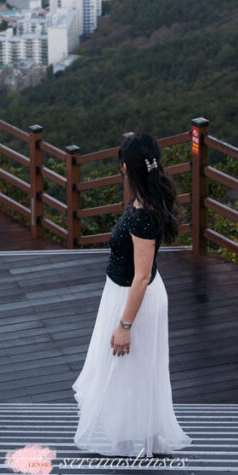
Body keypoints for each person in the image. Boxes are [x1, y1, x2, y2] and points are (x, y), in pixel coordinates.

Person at [72, 131, 193, 456]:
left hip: (133, 299)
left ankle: (131, 443)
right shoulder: (145, 199)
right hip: (131, 294)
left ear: (127, 168)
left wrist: (124, 326)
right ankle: (134, 438)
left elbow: (140, 277)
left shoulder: (142, 215)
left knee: (128, 371)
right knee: (134, 372)